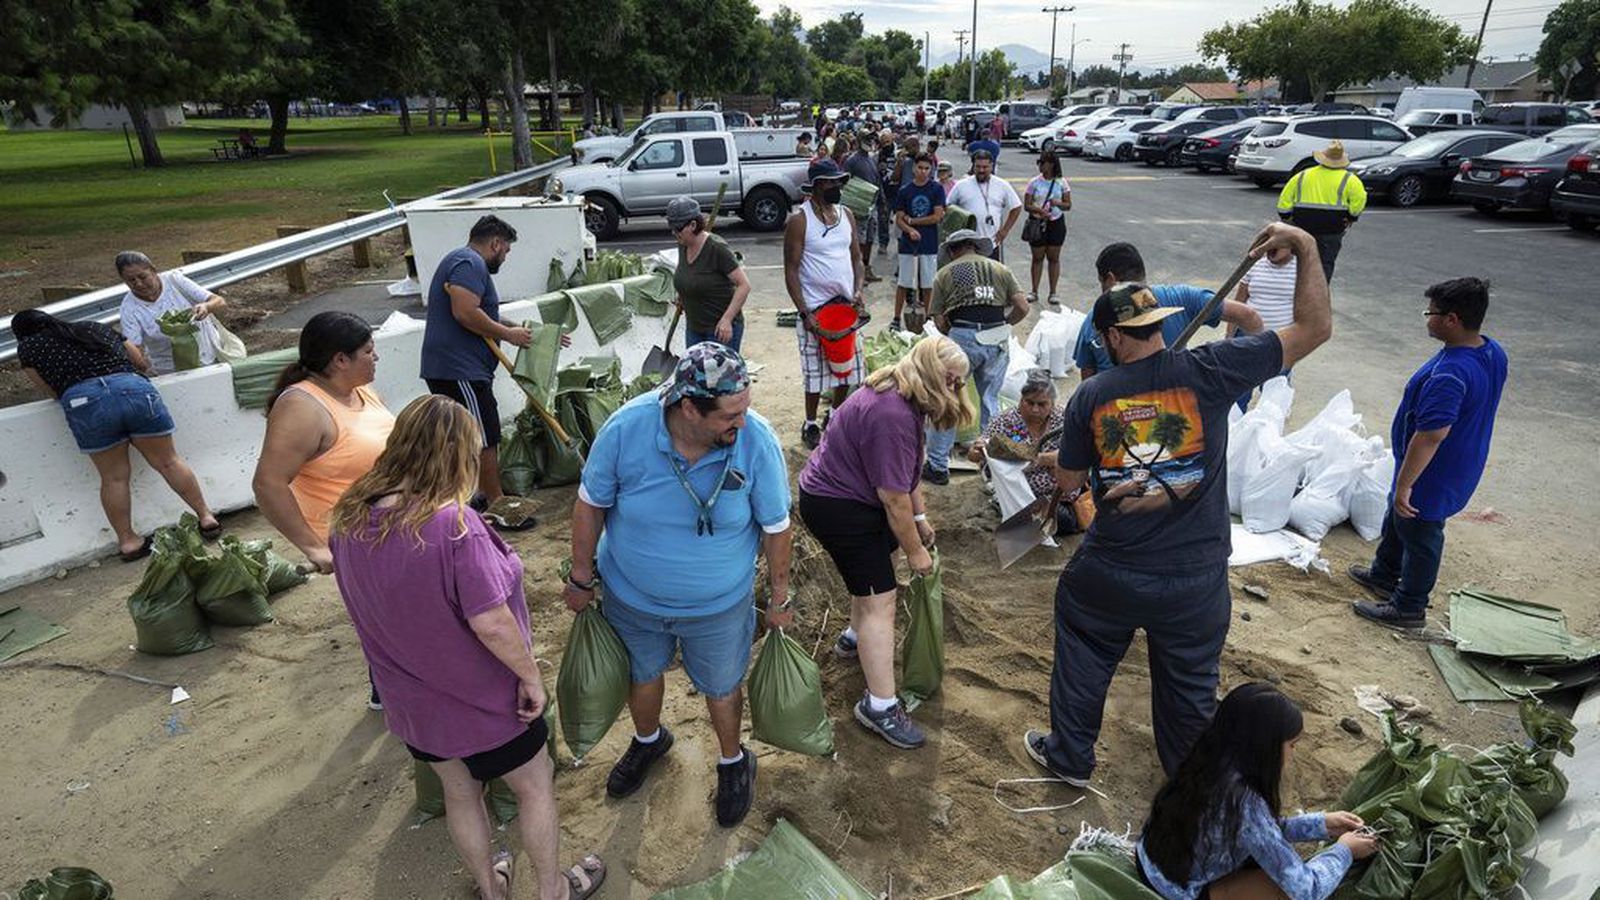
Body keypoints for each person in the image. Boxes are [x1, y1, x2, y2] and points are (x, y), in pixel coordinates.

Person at [1022, 223, 1333, 785]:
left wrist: (1067, 475)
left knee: (1084, 646)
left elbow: (1069, 482)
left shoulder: (1094, 394)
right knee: (1189, 693)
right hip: (1195, 582)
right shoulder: (1212, 371)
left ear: (1115, 337)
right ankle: (1191, 786)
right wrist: (1306, 246)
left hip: (1113, 572)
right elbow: (1315, 328)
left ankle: (1069, 755)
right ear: (1156, 327)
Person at [328, 396, 605, 900]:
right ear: (457, 454)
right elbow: (492, 623)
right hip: (483, 700)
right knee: (534, 785)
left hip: (412, 701)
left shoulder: (347, 520)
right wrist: (530, 677)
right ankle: (552, 891)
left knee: (460, 793)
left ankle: (491, 889)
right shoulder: (453, 526)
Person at [563, 344, 793, 827]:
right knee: (641, 674)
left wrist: (779, 599)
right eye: (731, 415)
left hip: (718, 606)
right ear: (688, 408)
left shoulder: (757, 442)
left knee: (723, 687)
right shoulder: (626, 430)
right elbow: (590, 505)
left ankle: (733, 760)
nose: (743, 423)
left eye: (746, 409)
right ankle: (650, 740)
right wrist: (580, 576)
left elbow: (776, 528)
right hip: (632, 598)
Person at [798, 337, 972, 749]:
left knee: (876, 571)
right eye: (957, 383)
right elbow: (892, 497)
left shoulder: (900, 389)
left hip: (851, 495)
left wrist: (920, 518)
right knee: (882, 598)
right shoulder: (892, 413)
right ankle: (878, 705)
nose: (960, 392)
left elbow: (904, 475)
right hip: (839, 506)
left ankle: (855, 639)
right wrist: (916, 552)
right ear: (941, 377)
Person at [1349, 277, 1506, 630]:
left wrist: (1406, 482)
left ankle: (1409, 606)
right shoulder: (1492, 351)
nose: (1427, 319)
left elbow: (1432, 435)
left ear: (1451, 319)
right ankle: (1384, 574)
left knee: (1421, 533)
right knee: (1398, 518)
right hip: (1457, 460)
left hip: (1431, 470)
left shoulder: (1450, 375)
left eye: (1430, 313)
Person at [14, 309, 222, 560]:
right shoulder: (92, 325)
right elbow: (138, 360)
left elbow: (49, 391)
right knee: (169, 462)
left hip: (84, 400)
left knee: (113, 478)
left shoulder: (28, 347)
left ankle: (128, 542)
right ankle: (206, 516)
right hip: (131, 388)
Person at [1137, 683, 1376, 899]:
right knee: (1280, 888)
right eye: (1292, 745)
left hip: (1151, 862)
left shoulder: (1210, 762)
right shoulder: (1245, 802)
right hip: (1176, 891)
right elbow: (1307, 890)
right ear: (1266, 748)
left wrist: (1320, 824)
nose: (1293, 754)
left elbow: (1252, 831)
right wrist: (1345, 850)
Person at [253, 312, 394, 575]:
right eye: (368, 351)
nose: (376, 358)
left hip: (391, 523)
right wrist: (314, 547)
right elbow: (268, 484)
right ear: (341, 360)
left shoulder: (361, 390)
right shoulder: (301, 407)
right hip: (356, 539)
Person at [420, 214, 530, 509]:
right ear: (496, 243)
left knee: (464, 436)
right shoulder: (470, 262)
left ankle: (474, 495)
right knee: (483, 434)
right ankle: (496, 502)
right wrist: (507, 334)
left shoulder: (463, 262)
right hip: (459, 369)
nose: (504, 258)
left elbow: (483, 312)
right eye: (506, 250)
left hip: (456, 367)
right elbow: (465, 312)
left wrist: (515, 330)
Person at [922, 229, 1030, 484]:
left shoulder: (944, 274)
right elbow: (1023, 307)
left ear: (952, 250)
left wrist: (956, 336)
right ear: (975, 247)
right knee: (990, 400)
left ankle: (937, 467)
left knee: (948, 399)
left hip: (963, 336)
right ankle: (992, 466)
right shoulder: (1000, 269)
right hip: (998, 338)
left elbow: (938, 319)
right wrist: (1004, 324)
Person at [1074, 242, 1264, 379]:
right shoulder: (1183, 297)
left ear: (1111, 279)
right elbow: (1249, 316)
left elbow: (1088, 382)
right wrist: (1245, 369)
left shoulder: (1094, 322)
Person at [783, 159, 868, 450]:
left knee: (846, 370)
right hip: (816, 310)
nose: (837, 187)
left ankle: (833, 416)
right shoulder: (799, 221)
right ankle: (810, 423)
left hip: (845, 309)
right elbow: (791, 270)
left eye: (839, 182)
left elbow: (856, 258)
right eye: (830, 182)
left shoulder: (846, 215)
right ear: (817, 186)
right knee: (815, 374)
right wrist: (805, 313)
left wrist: (858, 290)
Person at [967, 369, 1068, 519]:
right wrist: (977, 451)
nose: (1035, 409)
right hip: (1015, 489)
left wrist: (1039, 458)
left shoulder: (1062, 419)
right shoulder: (1005, 421)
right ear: (1021, 400)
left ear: (1052, 403)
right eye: (1029, 402)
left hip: (1058, 490)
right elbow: (974, 456)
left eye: (1042, 404)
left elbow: (1074, 454)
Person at [115, 251, 228, 375]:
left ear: (153, 270)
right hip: (170, 371)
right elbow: (135, 349)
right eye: (131, 280)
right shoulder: (129, 309)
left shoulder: (174, 280)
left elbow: (219, 302)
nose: (138, 284)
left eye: (143, 277)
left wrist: (206, 306)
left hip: (211, 358)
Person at [665, 196, 751, 351]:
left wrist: (727, 320)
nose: (674, 233)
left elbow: (744, 285)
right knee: (695, 374)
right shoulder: (683, 244)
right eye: (672, 228)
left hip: (719, 330)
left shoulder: (717, 249)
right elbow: (690, 275)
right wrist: (685, 295)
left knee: (720, 375)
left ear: (693, 225)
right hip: (694, 328)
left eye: (678, 229)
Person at [1277, 141, 1366, 282]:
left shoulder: (1302, 175)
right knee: (1325, 263)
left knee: (1298, 261)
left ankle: (1294, 292)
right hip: (1331, 228)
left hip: (1301, 226)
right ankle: (1319, 296)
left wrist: (1287, 218)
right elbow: (1359, 202)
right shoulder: (1350, 179)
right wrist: (1351, 217)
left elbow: (1284, 202)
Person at [1231, 246, 1299, 410]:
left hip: (1281, 342)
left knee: (1272, 401)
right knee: (1238, 394)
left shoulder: (1302, 270)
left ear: (1290, 246)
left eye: (1277, 245)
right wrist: (1230, 335)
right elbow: (1239, 301)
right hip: (1247, 339)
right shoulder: (1255, 265)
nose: (1270, 249)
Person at [892, 153, 946, 331]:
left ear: (931, 170)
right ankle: (896, 317)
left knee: (928, 283)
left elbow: (937, 216)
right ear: (914, 168)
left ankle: (928, 316)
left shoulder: (936, 189)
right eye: (920, 168)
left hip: (929, 243)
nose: (923, 172)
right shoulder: (905, 191)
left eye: (927, 168)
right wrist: (910, 230)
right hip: (908, 245)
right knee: (904, 282)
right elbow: (899, 218)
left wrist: (913, 221)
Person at [945, 151, 1021, 262]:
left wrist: (1005, 230)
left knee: (989, 277)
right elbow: (948, 207)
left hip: (991, 244)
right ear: (973, 167)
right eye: (978, 167)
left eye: (985, 167)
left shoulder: (1002, 185)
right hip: (966, 245)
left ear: (992, 166)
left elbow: (1016, 207)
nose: (981, 170)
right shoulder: (961, 185)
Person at [1023, 152, 1072, 307]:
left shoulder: (1061, 182)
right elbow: (1027, 205)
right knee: (1037, 258)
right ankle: (1034, 290)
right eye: (1040, 162)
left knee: (1054, 258)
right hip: (1038, 223)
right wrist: (1039, 211)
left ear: (1051, 164)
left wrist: (1056, 203)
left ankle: (1053, 292)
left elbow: (1068, 205)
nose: (1041, 166)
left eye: (1043, 163)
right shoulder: (1034, 182)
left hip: (1056, 223)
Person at [845, 139, 886, 284]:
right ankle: (858, 273)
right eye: (866, 138)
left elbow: (877, 181)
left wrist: (882, 201)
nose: (869, 142)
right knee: (859, 241)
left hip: (872, 205)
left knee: (869, 239)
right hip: (858, 206)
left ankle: (866, 269)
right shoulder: (851, 160)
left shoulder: (871, 159)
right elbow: (845, 182)